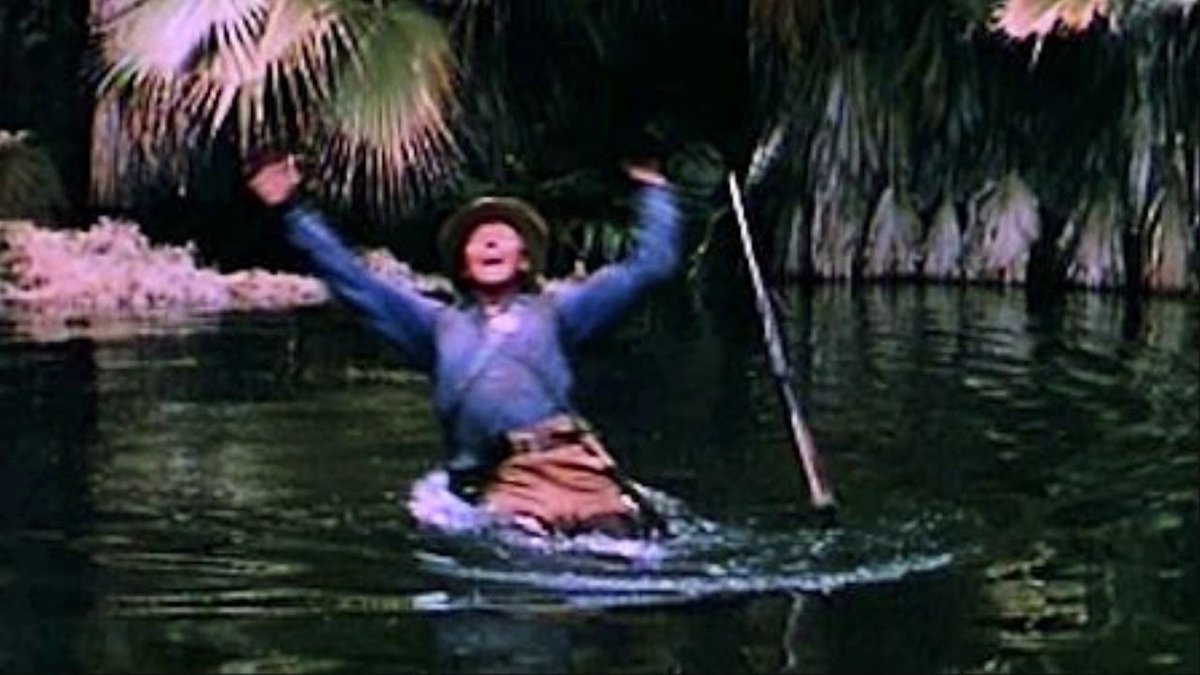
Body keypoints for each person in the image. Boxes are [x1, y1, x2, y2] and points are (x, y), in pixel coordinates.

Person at [246, 154, 682, 539]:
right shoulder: (433, 323)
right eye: (478, 238)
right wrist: (292, 208)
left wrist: (654, 191)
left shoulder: (560, 310)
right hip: (507, 480)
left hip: (574, 464)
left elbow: (650, 266)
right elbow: (351, 277)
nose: (490, 241)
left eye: (502, 235)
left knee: (620, 548)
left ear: (524, 260)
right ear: (463, 265)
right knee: (521, 554)